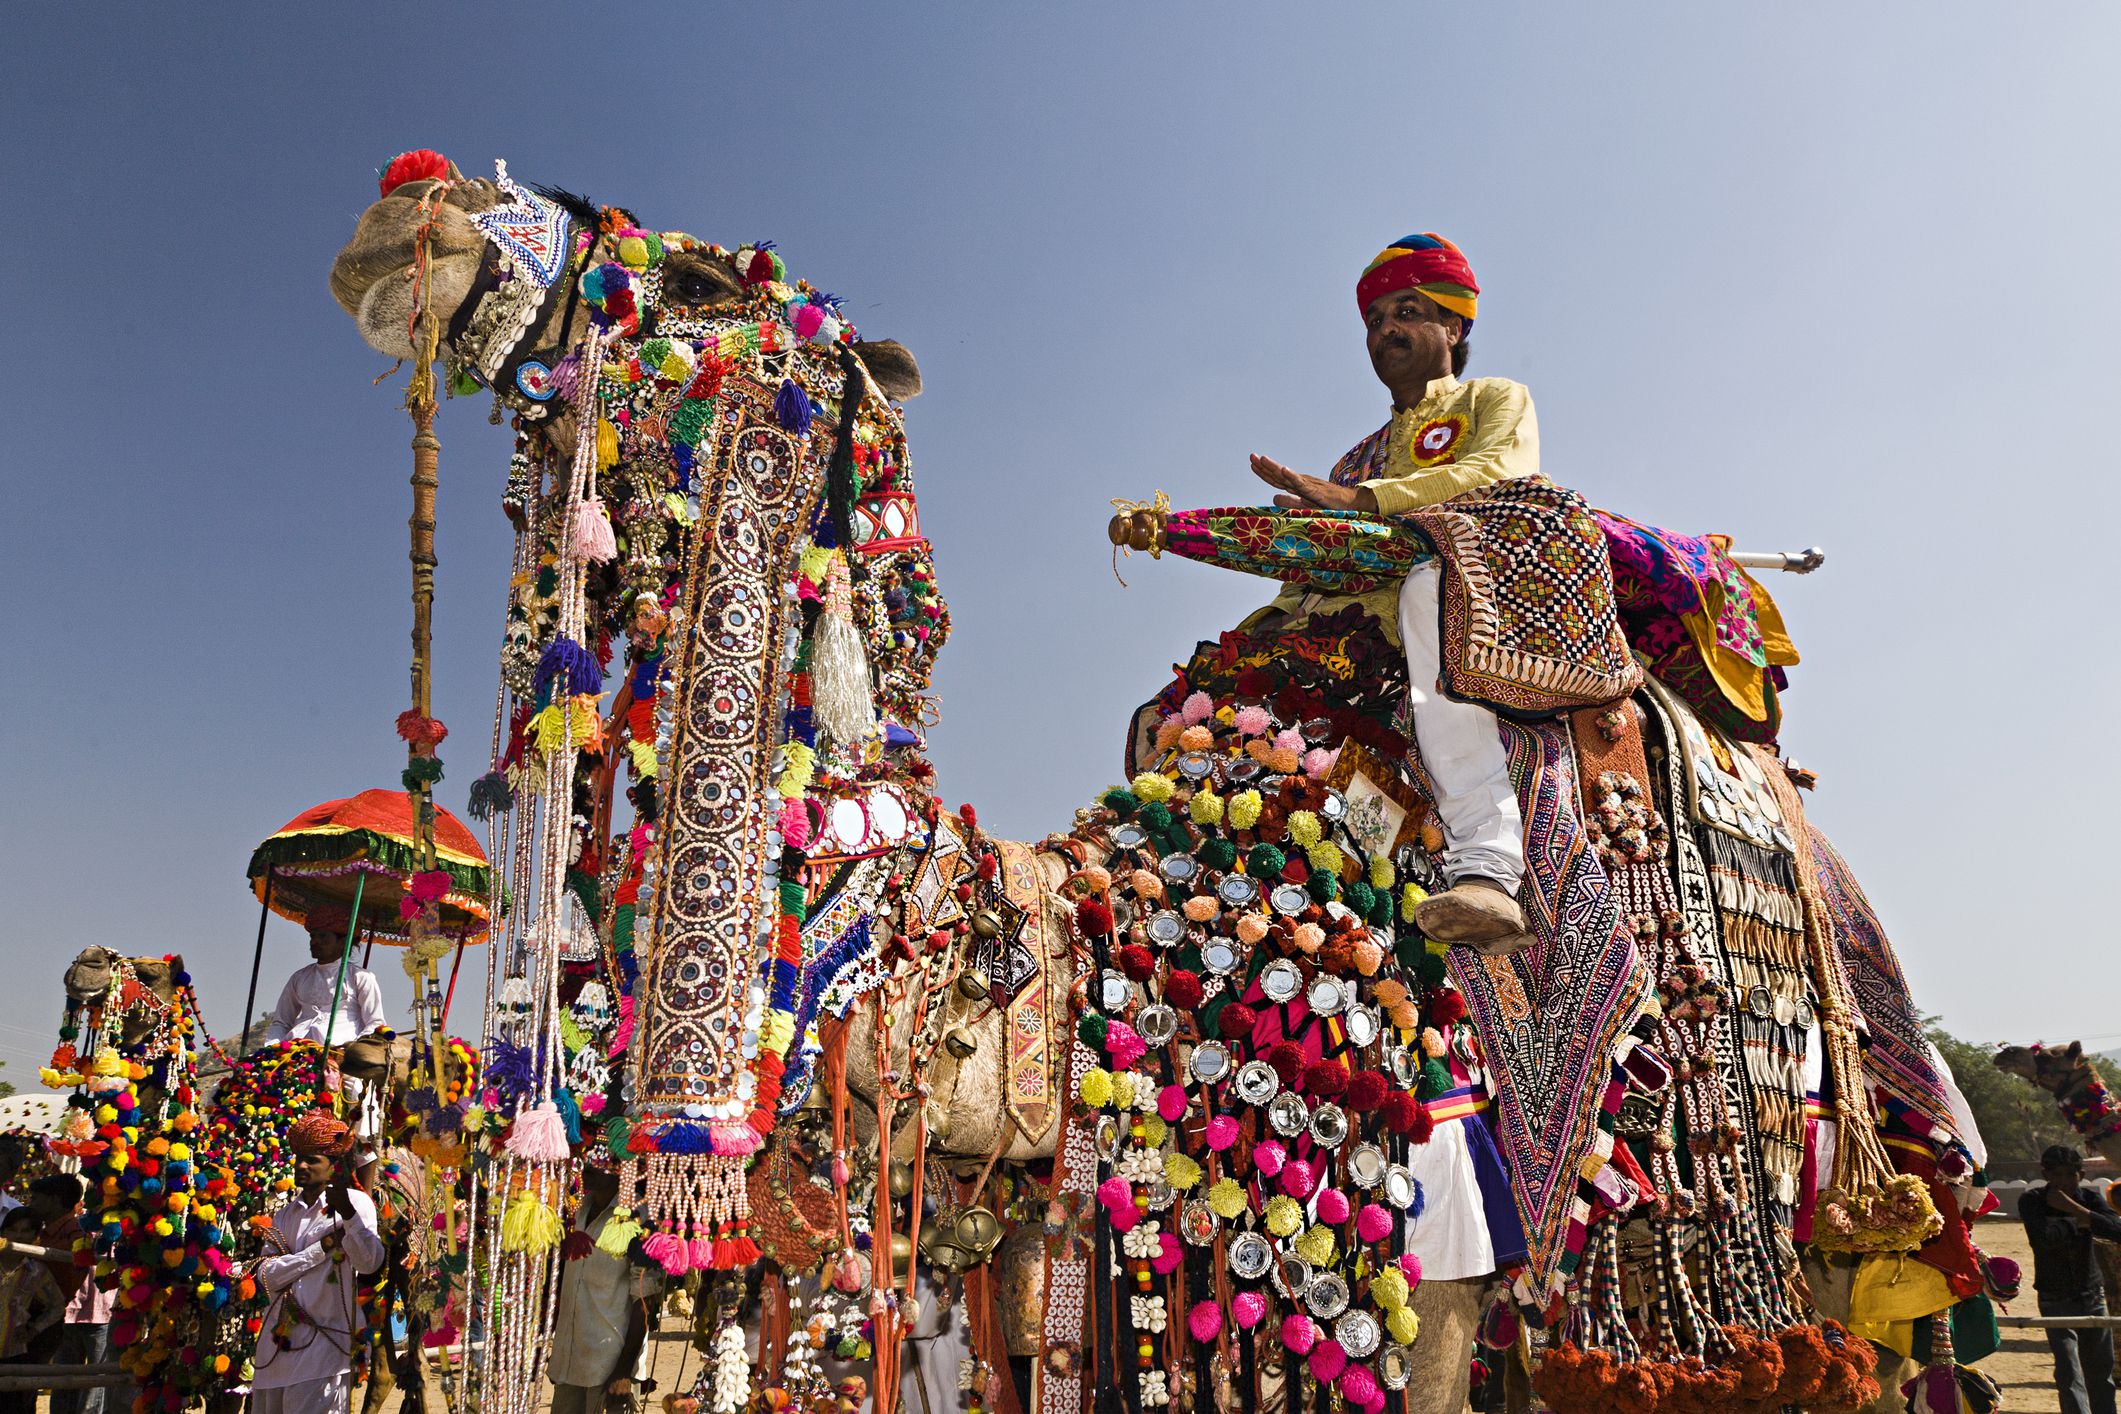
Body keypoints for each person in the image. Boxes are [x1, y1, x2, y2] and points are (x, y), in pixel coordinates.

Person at [1246, 233, 1534, 950]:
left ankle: (1487, 864)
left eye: (1407, 311)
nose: (1386, 331)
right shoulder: (1356, 454)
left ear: (1454, 326)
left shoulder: (1491, 398)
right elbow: (1308, 577)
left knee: (1425, 582)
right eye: (1375, 321)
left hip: (1464, 600)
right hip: (1352, 638)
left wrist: (1359, 501)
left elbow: (1500, 469)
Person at [250, 1109, 385, 1414]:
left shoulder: (357, 1204)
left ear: (333, 1166)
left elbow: (370, 1264)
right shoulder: (284, 1214)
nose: (301, 1165)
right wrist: (319, 1250)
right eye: (299, 1157)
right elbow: (267, 1276)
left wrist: (348, 1216)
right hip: (274, 1355)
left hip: (324, 1354)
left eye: (312, 1160)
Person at [267, 904, 390, 1186]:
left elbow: (375, 1023)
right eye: (313, 936)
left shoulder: (362, 978)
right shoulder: (299, 977)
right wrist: (273, 1048)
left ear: (342, 940)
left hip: (344, 1058)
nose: (315, 942)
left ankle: (365, 1189)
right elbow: (280, 1021)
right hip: (298, 1055)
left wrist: (352, 1048)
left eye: (322, 936)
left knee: (357, 1101)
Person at [549, 1161, 657, 1414]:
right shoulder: (581, 1209)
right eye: (589, 1163)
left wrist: (623, 1370)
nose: (588, 1170)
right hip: (571, 1361)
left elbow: (644, 1300)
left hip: (610, 1366)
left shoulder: (638, 1215)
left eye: (600, 1163)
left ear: (621, 1169)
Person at [2022, 1144, 2121, 1414]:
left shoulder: (2088, 1200)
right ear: (2046, 1174)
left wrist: (2076, 1211)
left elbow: (2117, 1230)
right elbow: (2043, 1240)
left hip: (2092, 1295)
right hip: (2054, 1298)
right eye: (2057, 1175)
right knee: (2068, 1373)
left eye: (2070, 1175)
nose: (2063, 1182)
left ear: (2081, 1174)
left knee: (2100, 1373)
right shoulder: (2032, 1201)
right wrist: (2083, 1222)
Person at [24, 1174, 115, 1414]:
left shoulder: (78, 1229)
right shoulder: (47, 1231)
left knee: (93, 1380)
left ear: (54, 1201)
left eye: (36, 1198)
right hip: (68, 1313)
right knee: (64, 1377)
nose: (31, 1203)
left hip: (95, 1312)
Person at [0, 1206, 65, 1412]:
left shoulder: (36, 1271)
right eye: (12, 1229)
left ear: (36, 1237)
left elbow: (57, 1305)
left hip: (13, 1352)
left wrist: (34, 1329)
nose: (18, 1235)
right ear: (3, 1232)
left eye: (26, 1231)